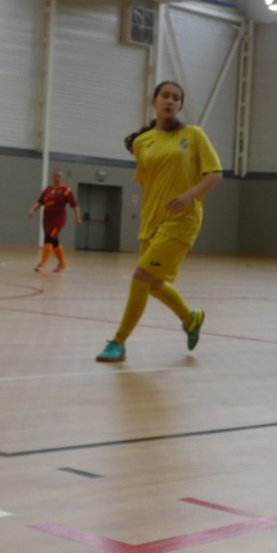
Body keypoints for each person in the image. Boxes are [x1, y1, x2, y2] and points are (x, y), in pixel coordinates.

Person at [95, 81, 223, 363]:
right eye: (165, 96)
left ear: (180, 106)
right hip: (152, 220)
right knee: (153, 284)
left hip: (183, 220)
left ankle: (118, 341)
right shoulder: (142, 142)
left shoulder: (194, 135)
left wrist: (189, 195)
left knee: (141, 277)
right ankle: (190, 318)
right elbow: (149, 183)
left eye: (176, 98)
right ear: (153, 101)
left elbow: (214, 173)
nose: (170, 101)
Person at [27, 170, 82, 272]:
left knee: (49, 237)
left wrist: (78, 217)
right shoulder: (47, 189)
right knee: (54, 241)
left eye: (60, 176)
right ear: (53, 177)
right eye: (56, 175)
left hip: (58, 219)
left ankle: (42, 264)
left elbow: (75, 205)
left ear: (62, 177)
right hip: (47, 219)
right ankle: (62, 264)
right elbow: (40, 202)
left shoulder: (66, 190)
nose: (58, 177)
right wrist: (32, 209)